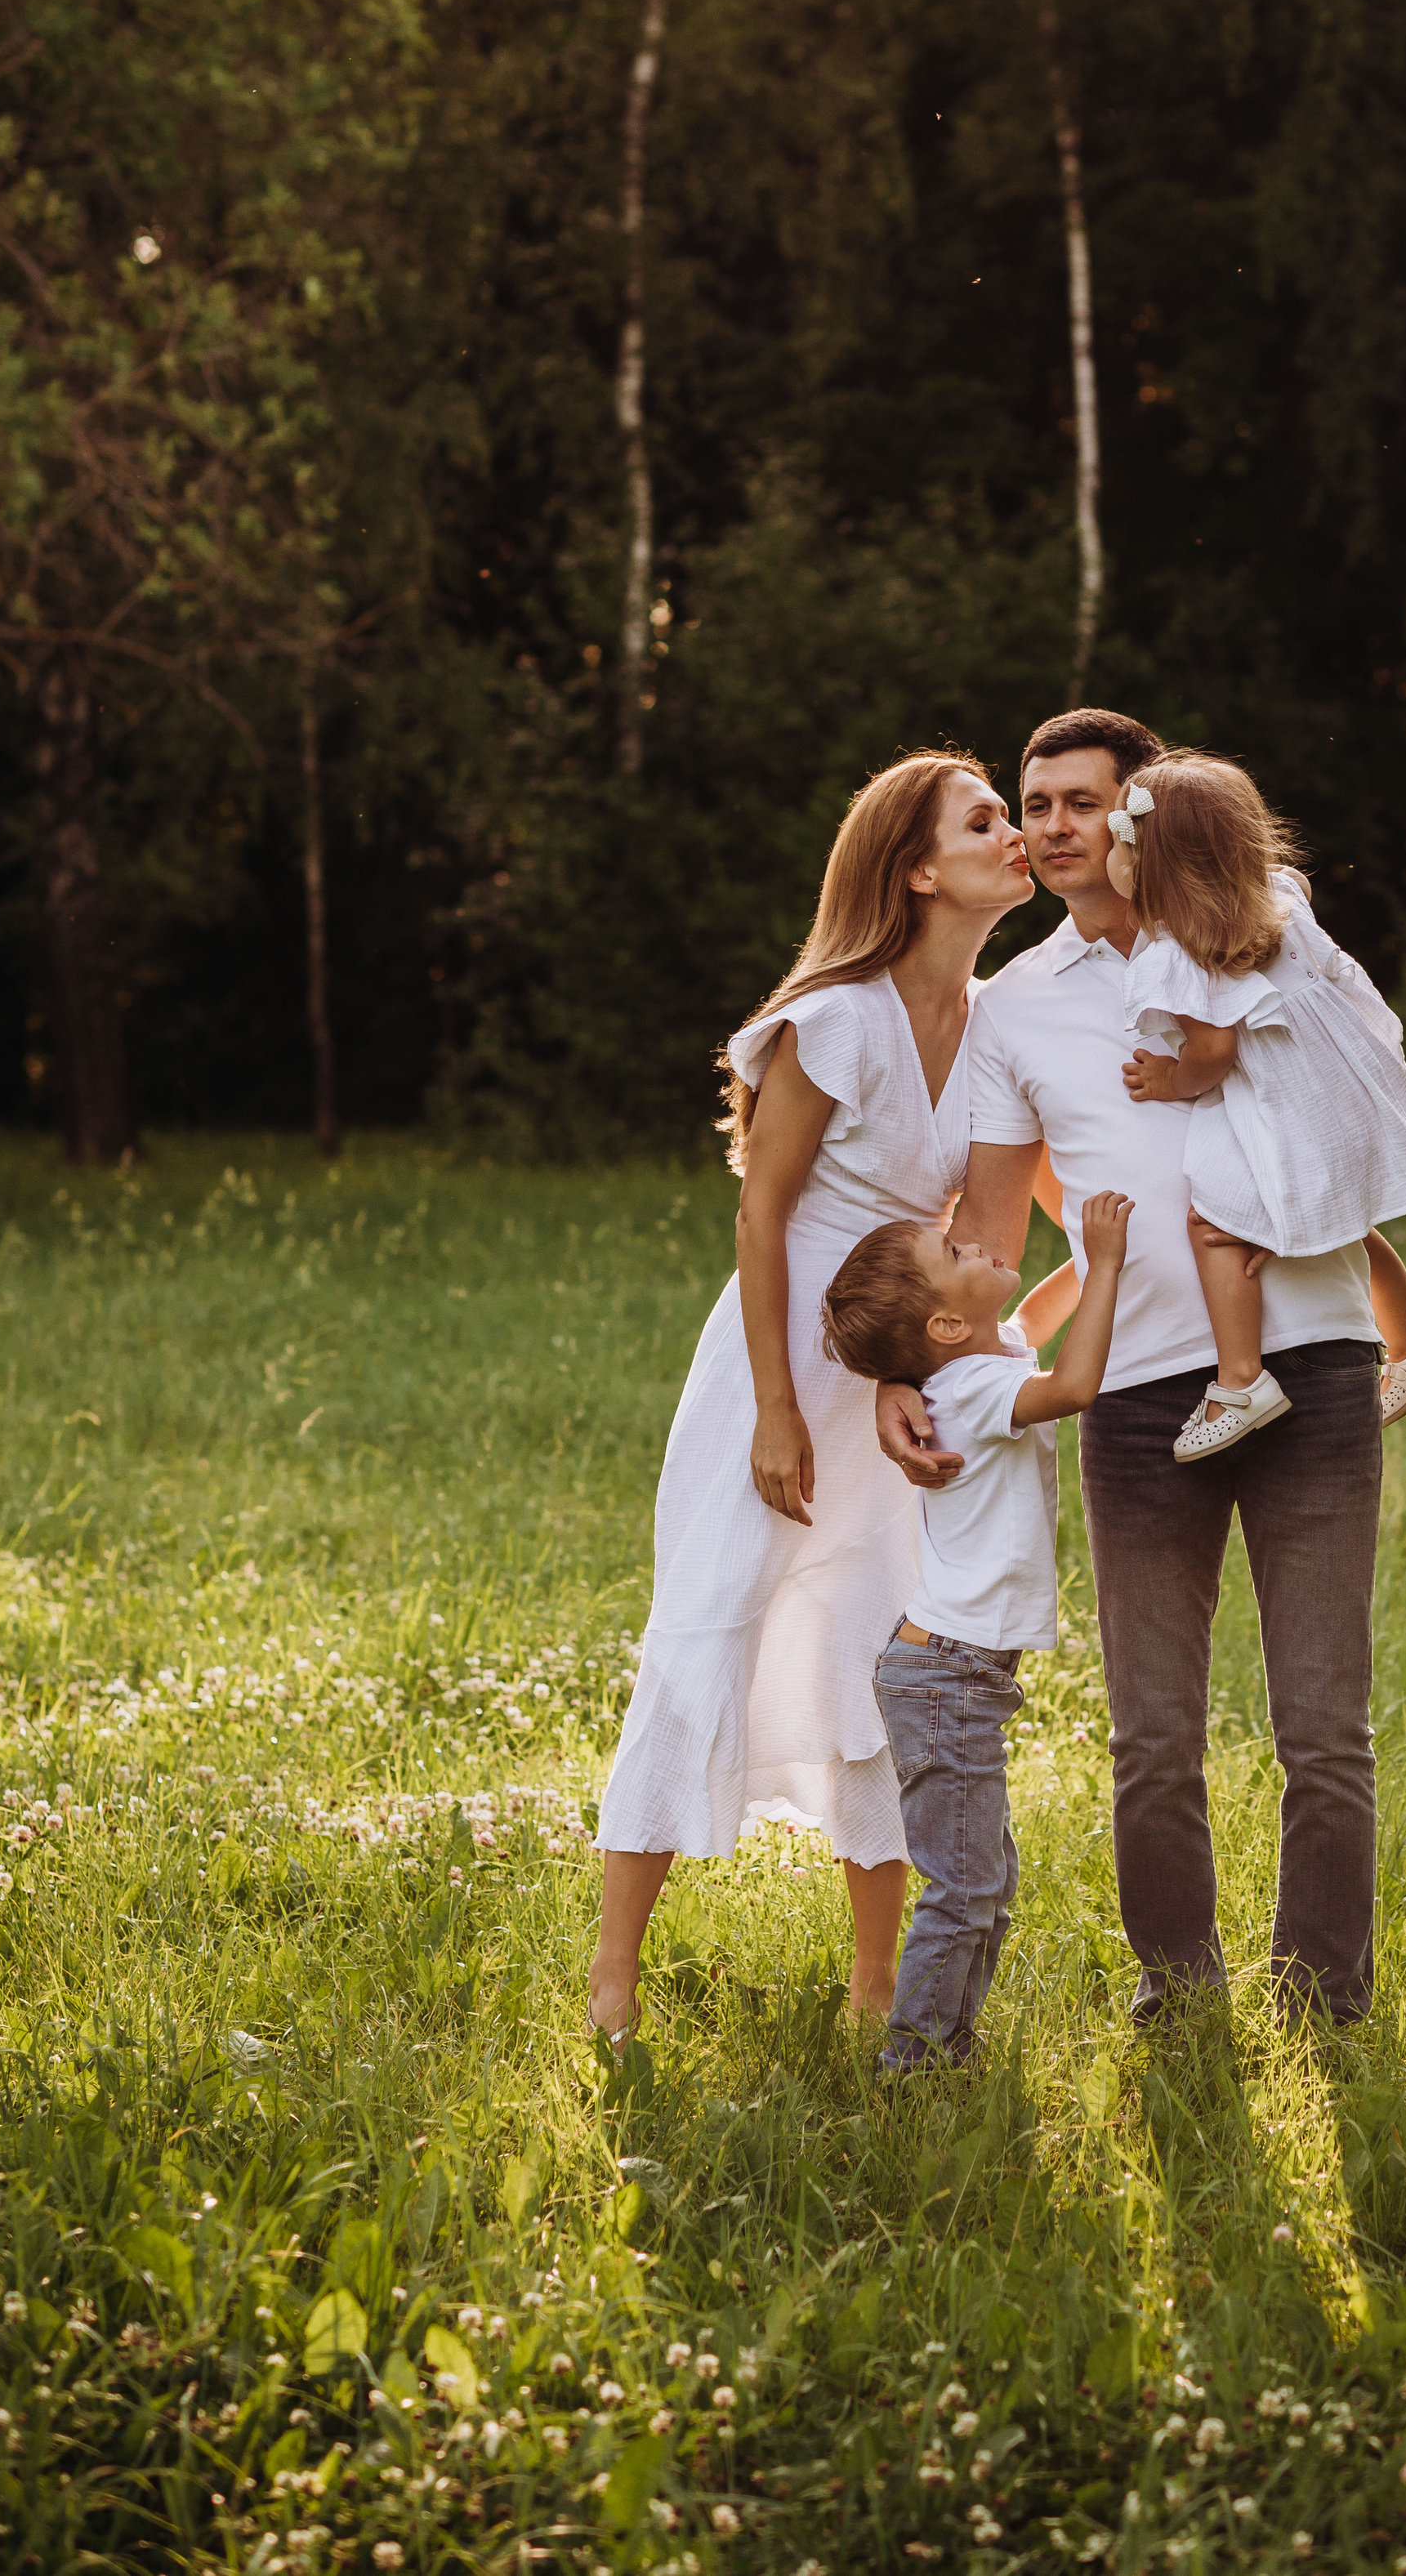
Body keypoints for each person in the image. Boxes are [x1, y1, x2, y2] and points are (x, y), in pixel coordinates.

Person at [877, 708, 1403, 2029]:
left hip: (1318, 1362)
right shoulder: (1021, 1007)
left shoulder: (1251, 936)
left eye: (1076, 801)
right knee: (1153, 1735)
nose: (1049, 823)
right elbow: (990, 1230)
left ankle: (1325, 2005)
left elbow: (1363, 1080)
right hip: (1137, 1400)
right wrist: (910, 1363)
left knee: (1324, 1726)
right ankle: (1180, 1994)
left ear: (1138, 811)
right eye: (1032, 801)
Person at [586, 752, 1033, 2044]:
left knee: (880, 1647)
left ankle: (879, 1977)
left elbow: (988, 1244)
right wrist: (779, 1405)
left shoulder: (997, 1023)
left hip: (897, 1366)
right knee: (711, 1614)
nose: (1014, 836)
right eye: (985, 820)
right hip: (777, 1356)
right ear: (914, 865)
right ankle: (615, 1977)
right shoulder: (837, 1016)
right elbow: (763, 1208)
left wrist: (921, 1380)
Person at [821, 1190, 1133, 2072]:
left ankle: (949, 2047)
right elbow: (1072, 1387)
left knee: (984, 1888)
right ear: (949, 1328)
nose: (974, 1243)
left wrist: (1111, 1247)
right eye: (955, 1254)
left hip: (950, 1672)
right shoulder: (981, 1387)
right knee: (966, 1892)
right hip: (948, 1675)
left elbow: (1034, 1316)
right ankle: (914, 2070)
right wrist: (1106, 1264)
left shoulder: (977, 1363)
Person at [1106, 748, 1406, 1458]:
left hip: (1289, 1109)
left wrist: (1166, 1079)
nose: (1113, 858)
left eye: (1121, 843)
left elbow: (1213, 1055)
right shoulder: (1278, 899)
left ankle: (1241, 1380)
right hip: (1345, 1096)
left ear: (1151, 865)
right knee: (1347, 1222)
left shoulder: (1183, 949)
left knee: (1212, 1223)